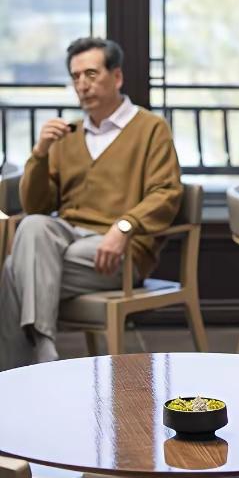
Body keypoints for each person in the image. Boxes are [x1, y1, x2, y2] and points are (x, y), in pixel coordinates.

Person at [0, 37, 183, 370]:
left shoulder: (151, 129)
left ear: (117, 77)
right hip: (66, 238)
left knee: (13, 271)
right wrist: (40, 154)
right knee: (33, 225)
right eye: (75, 77)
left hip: (120, 250)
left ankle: (22, 371)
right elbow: (37, 206)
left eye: (91, 74)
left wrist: (123, 227)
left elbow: (166, 193)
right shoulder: (67, 135)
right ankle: (43, 349)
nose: (82, 85)